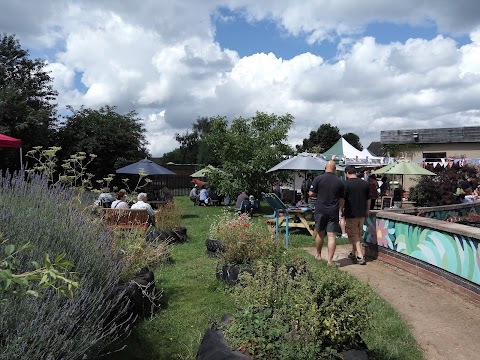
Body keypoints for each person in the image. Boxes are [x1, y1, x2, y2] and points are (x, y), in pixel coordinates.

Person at [308, 160, 345, 266]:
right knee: (332, 236)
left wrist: (317, 194)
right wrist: (340, 210)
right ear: (335, 169)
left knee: (320, 233)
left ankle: (318, 254)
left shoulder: (318, 179)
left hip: (320, 210)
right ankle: (330, 261)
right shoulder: (340, 182)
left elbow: (311, 193)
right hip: (333, 211)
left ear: (325, 167)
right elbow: (342, 199)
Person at [342, 165, 371, 265]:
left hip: (351, 213)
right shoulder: (365, 184)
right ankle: (353, 252)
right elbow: (368, 198)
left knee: (354, 234)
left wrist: (340, 210)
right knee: (358, 233)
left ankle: (360, 255)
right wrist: (367, 209)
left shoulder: (345, 184)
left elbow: (342, 199)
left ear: (347, 173)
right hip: (362, 212)